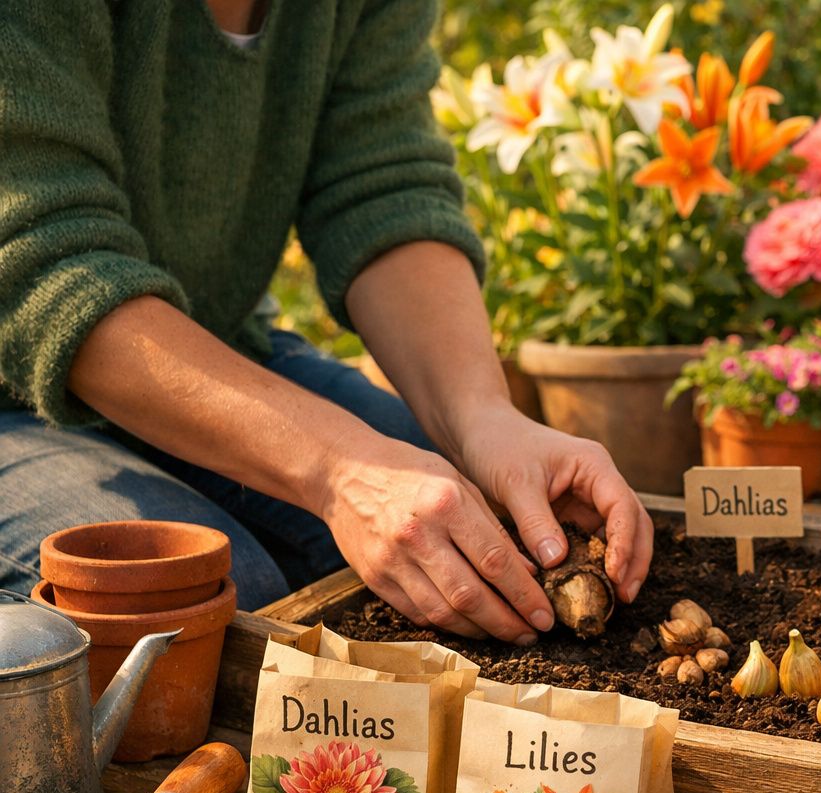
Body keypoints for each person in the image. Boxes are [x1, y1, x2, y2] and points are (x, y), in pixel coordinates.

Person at [0, 0, 654, 644]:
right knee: (219, 608)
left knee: (470, 524)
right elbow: (46, 268)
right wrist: (342, 470)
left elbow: (381, 186)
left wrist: (484, 420)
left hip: (208, 345)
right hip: (13, 391)